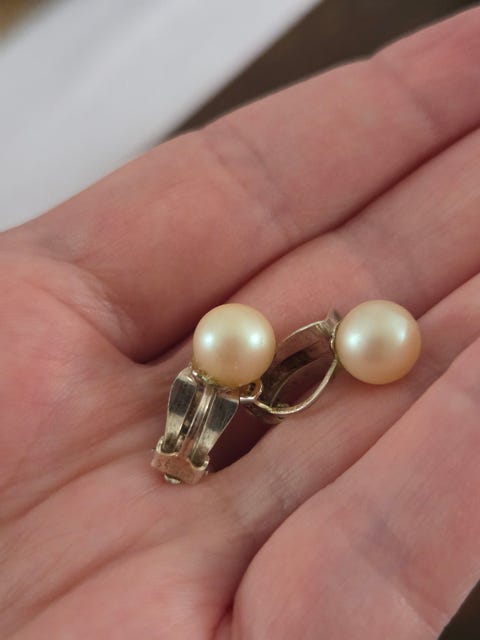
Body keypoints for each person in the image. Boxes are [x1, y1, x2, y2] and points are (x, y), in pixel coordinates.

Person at [0, 7, 479, 639]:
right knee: (206, 394)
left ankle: (191, 446)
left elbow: (283, 381)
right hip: (245, 373)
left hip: (264, 370)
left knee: (214, 393)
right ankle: (187, 447)